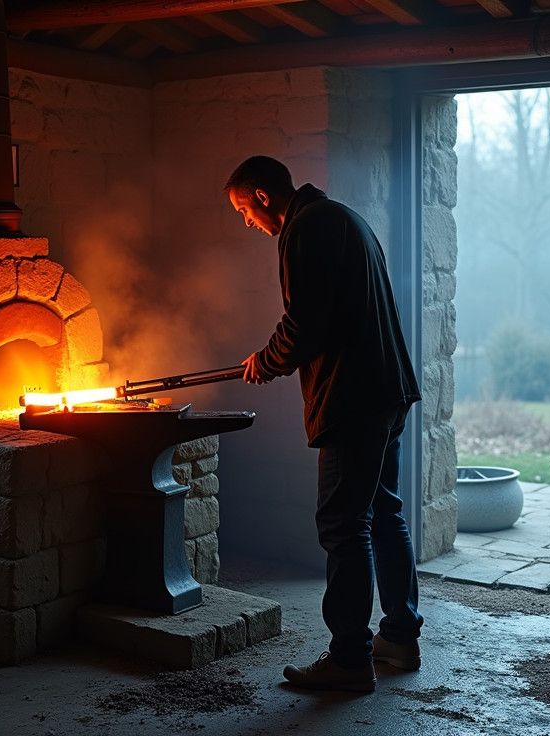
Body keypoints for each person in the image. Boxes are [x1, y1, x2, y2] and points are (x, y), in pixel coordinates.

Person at [226, 155, 424, 693]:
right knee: (383, 512)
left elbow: (303, 322)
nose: (247, 222)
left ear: (263, 196)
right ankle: (400, 638)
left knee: (342, 524)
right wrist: (274, 355)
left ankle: (349, 659)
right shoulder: (345, 217)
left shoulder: (303, 229)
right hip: (388, 388)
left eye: (244, 210)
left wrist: (266, 361)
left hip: (353, 397)